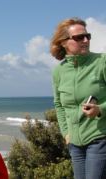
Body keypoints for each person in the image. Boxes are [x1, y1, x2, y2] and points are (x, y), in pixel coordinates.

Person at [50, 17, 106, 179]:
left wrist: (100, 109)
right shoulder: (58, 71)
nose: (86, 40)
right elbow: (59, 105)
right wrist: (66, 133)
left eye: (87, 36)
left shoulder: (101, 62)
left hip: (99, 138)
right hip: (75, 144)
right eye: (79, 37)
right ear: (63, 42)